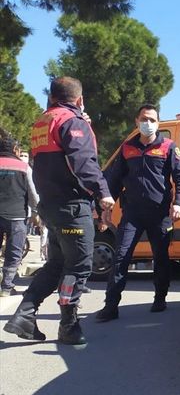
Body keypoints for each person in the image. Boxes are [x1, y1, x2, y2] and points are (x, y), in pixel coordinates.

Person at [3, 76, 114, 345]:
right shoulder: (72, 122)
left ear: (52, 97)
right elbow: (83, 162)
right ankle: (69, 326)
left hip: (51, 206)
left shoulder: (42, 122)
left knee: (55, 264)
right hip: (72, 206)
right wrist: (103, 193)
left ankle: (24, 315)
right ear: (80, 100)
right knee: (77, 266)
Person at [94, 104, 180, 321]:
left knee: (161, 258)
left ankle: (160, 298)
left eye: (152, 120)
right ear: (137, 121)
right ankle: (110, 306)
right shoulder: (127, 148)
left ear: (158, 123)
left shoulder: (168, 147)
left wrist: (179, 203)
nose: (148, 123)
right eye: (144, 119)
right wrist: (106, 208)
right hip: (133, 213)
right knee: (121, 257)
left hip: (160, 213)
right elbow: (114, 181)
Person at [0, 129, 39, 297]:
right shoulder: (24, 167)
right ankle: (6, 287)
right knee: (14, 252)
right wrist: (36, 213)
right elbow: (32, 194)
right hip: (16, 216)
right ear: (15, 149)